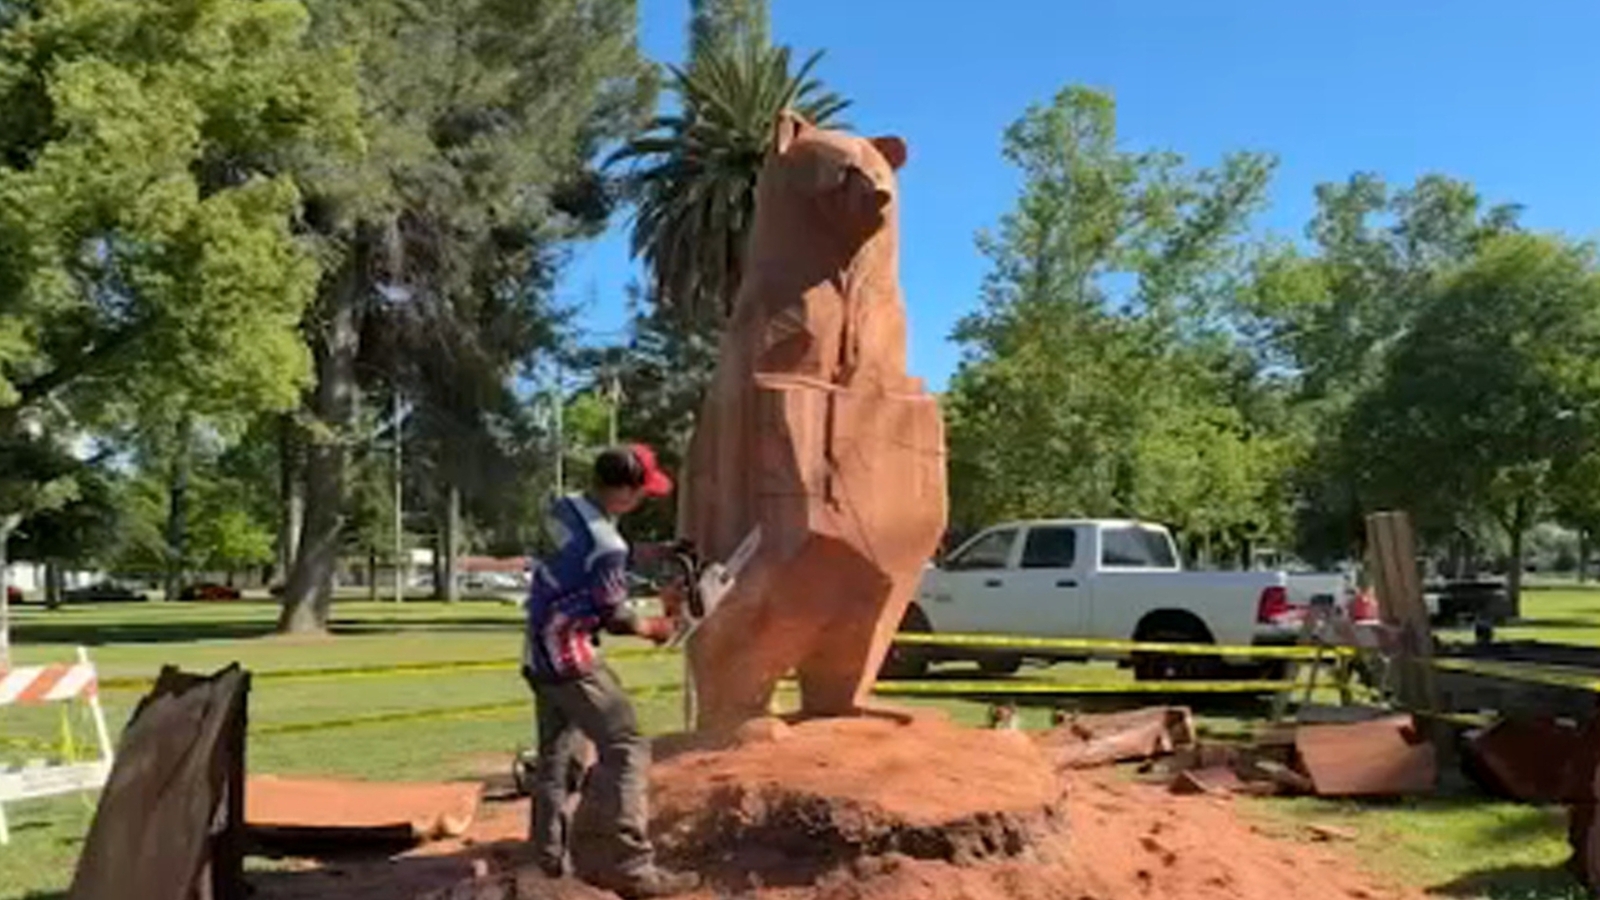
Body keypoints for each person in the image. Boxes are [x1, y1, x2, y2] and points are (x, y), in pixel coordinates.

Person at [522, 445, 698, 898]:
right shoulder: (607, 547)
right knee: (627, 744)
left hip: (537, 652)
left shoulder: (566, 507)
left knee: (556, 761)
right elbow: (614, 616)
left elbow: (585, 553)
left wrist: (653, 552)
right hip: (570, 657)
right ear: (622, 492)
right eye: (640, 493)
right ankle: (627, 865)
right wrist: (660, 626)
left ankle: (546, 866)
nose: (641, 500)